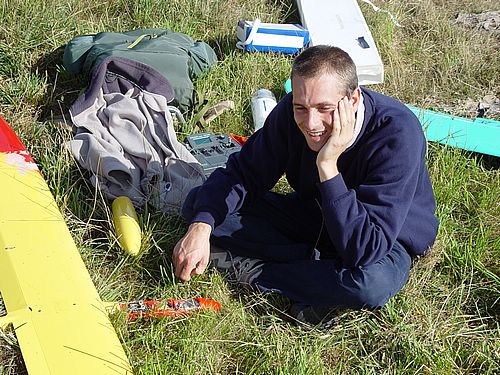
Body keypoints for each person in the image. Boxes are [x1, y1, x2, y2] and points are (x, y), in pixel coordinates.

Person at [172, 45, 439, 326]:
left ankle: (260, 273)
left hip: (383, 236)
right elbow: (243, 173)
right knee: (200, 204)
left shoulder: (397, 133)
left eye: (325, 108)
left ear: (354, 99)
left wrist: (328, 165)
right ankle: (314, 274)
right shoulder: (290, 112)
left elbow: (364, 249)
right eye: (302, 108)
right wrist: (201, 228)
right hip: (315, 212)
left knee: (369, 285)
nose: (311, 123)